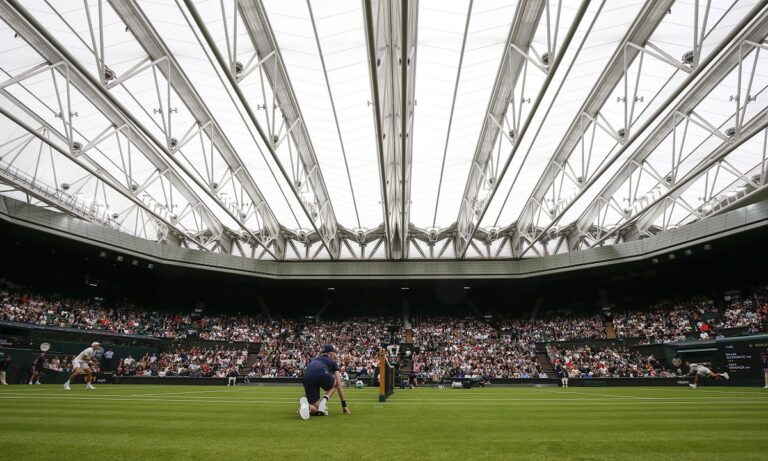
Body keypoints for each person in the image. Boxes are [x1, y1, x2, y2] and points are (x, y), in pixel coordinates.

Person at [298, 345, 350, 420]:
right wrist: (344, 406)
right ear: (331, 353)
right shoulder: (332, 362)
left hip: (306, 376)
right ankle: (323, 403)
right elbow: (338, 384)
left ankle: (306, 406)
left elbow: (312, 376)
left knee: (315, 409)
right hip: (321, 372)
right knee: (336, 384)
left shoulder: (314, 359)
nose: (335, 355)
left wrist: (306, 397)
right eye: (334, 353)